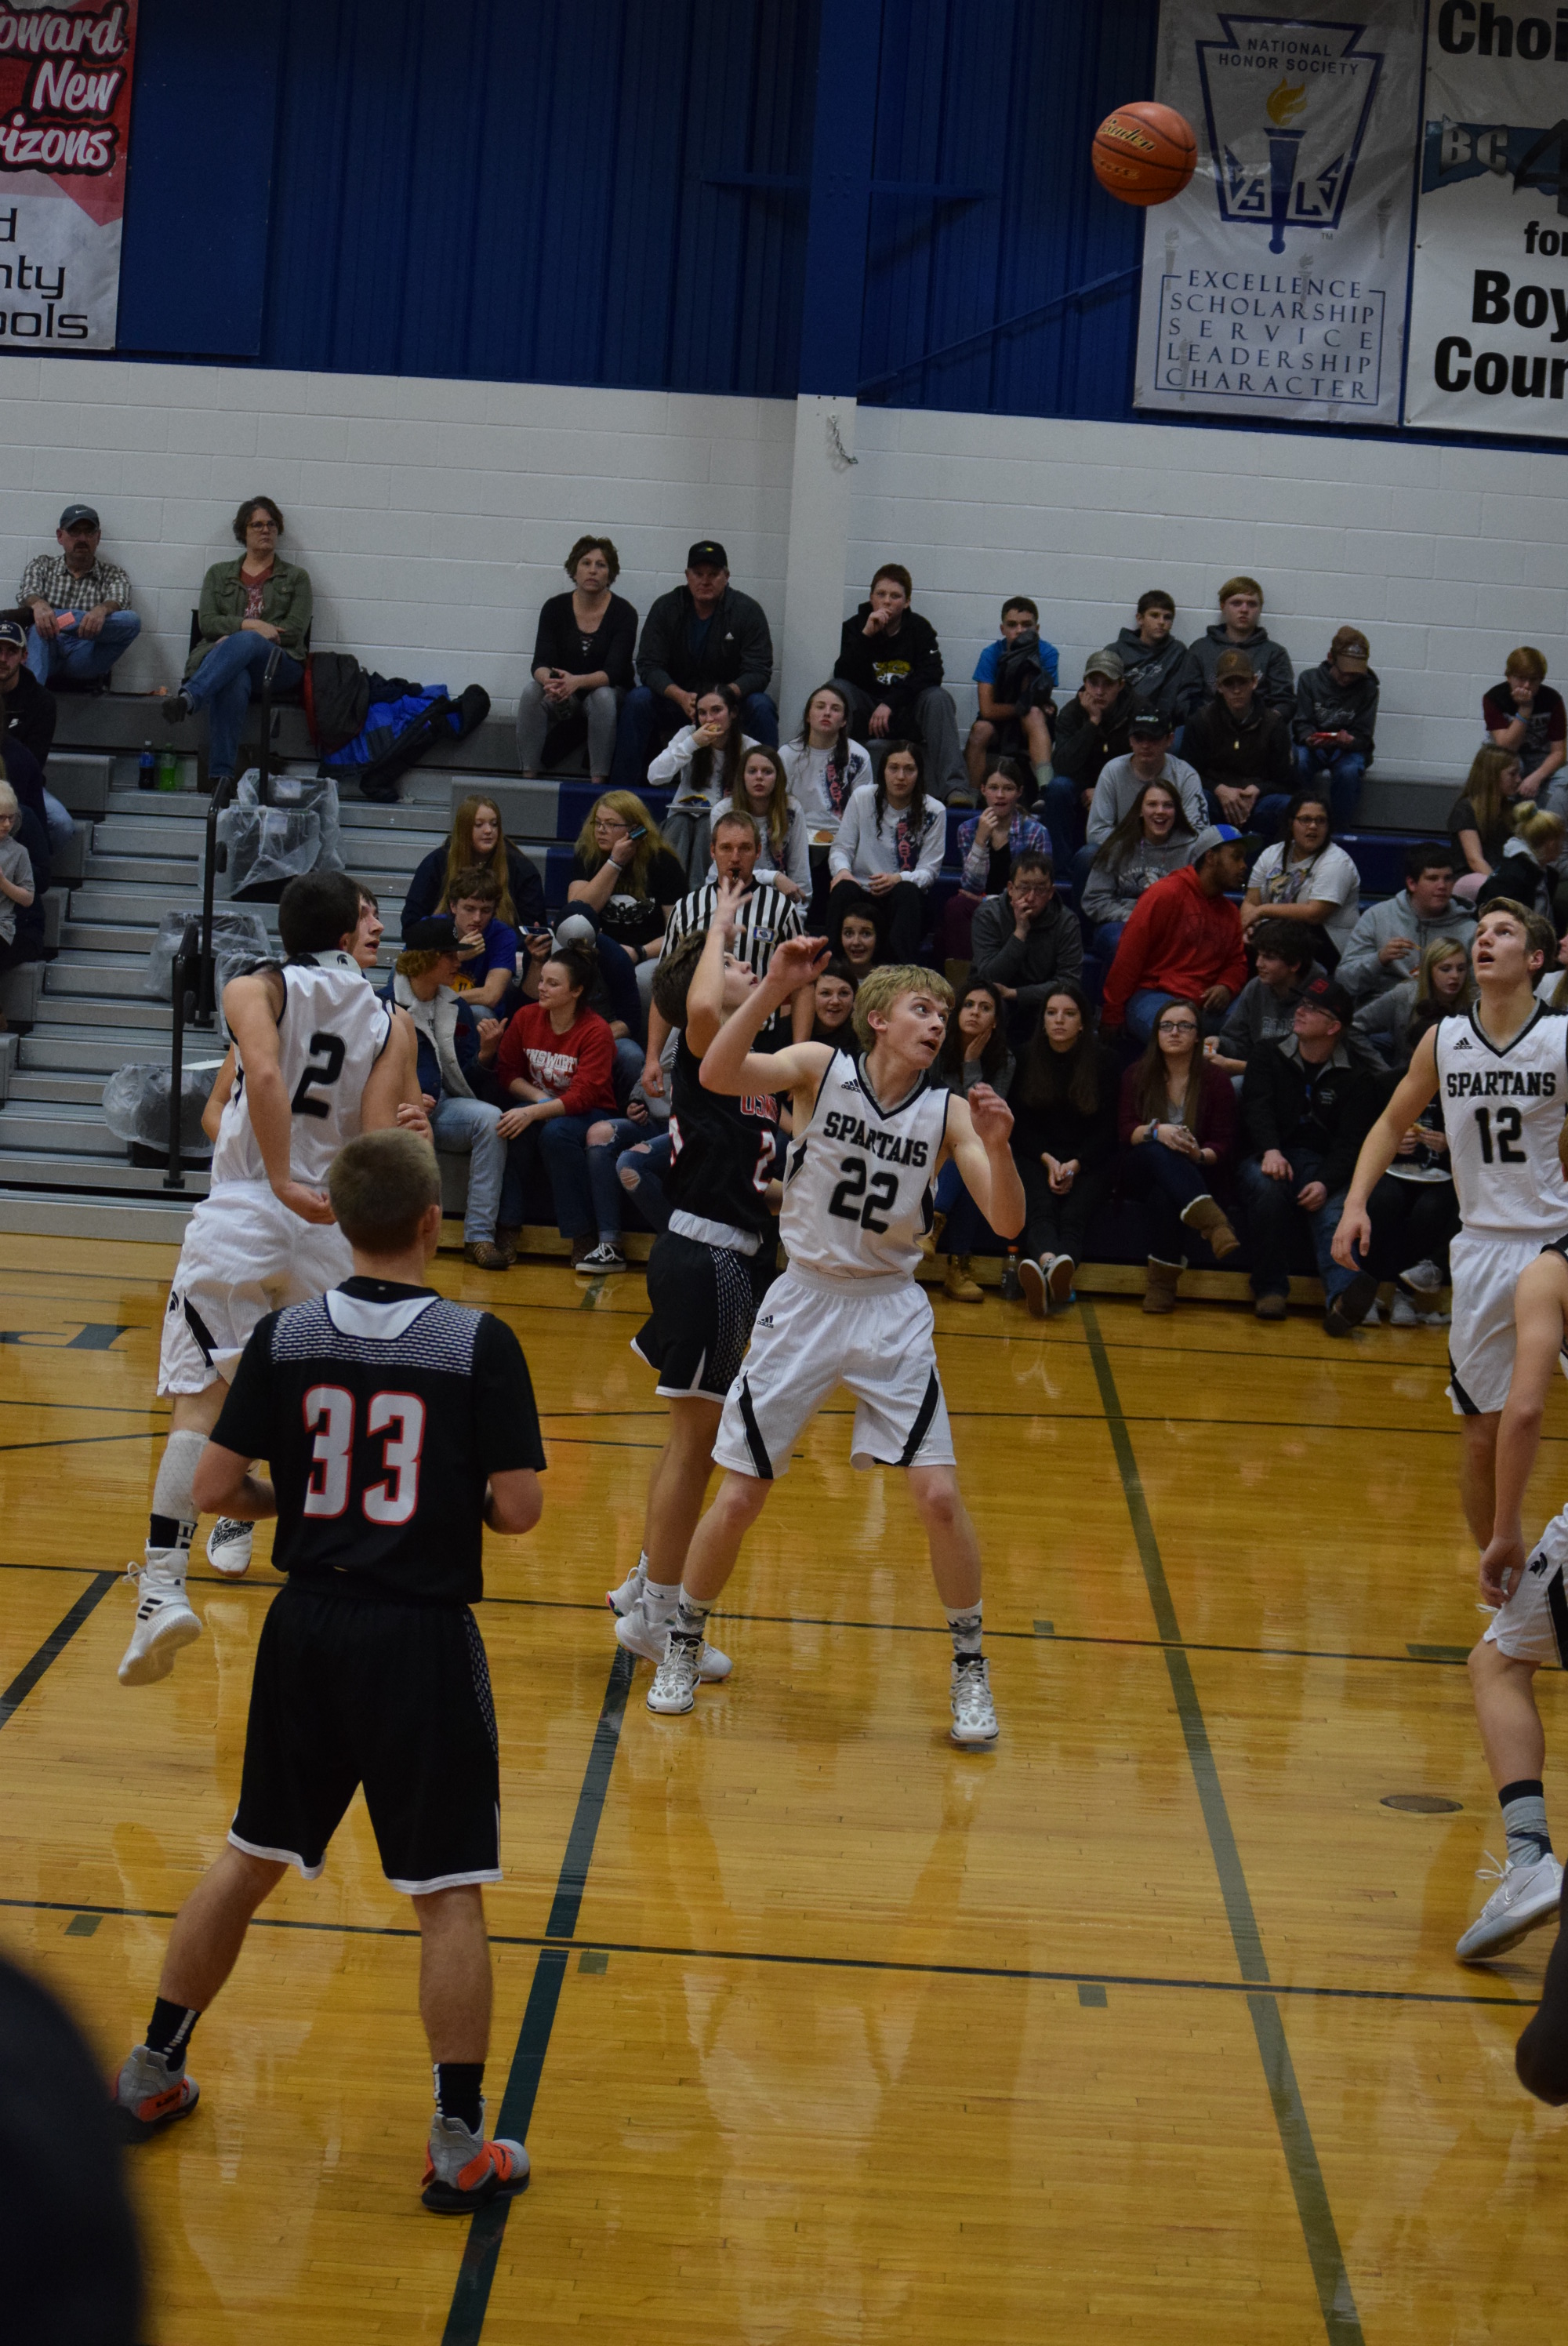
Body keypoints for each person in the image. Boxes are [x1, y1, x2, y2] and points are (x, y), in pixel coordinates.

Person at [111, 1128, 548, 2215]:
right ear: (433, 1222)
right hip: (420, 1638)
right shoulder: (478, 1341)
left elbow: (214, 1489)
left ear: (339, 1225)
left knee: (249, 1855)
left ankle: (152, 2072)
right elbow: (519, 1509)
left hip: (306, 1628)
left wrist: (295, 1502)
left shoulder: (288, 1333)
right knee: (446, 1892)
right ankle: (458, 2144)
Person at [642, 950, 1025, 1745]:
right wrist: (776, 990)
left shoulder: (948, 1111)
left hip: (889, 1310)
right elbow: (716, 1072)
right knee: (740, 1496)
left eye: (943, 1014)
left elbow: (1007, 1220)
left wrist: (1000, 1146)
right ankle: (681, 1641)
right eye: (922, 1009)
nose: (938, 1023)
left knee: (938, 1497)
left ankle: (970, 1667)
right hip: (806, 1299)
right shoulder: (820, 1068)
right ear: (877, 1019)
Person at [117, 870, 425, 1686]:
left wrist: (281, 1179)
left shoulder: (255, 987)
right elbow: (374, 1142)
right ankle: (334, 1577)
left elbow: (261, 1076)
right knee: (315, 1416)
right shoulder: (391, 1022)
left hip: (250, 1209)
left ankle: (161, 1588)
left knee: (200, 1405)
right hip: (330, 1227)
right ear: (346, 932)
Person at [1333, 900, 1564, 1550]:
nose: (1484, 941)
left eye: (1504, 933)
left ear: (1535, 959)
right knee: (1481, 1433)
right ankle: (1499, 1579)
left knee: (1525, 1415)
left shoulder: (1561, 1038)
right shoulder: (1444, 1040)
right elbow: (1390, 1122)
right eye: (1481, 931)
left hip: (1556, 1242)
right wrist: (1355, 1203)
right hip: (1483, 1245)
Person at [607, 905, 783, 1678]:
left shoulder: (750, 1066)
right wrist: (716, 930)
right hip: (710, 1257)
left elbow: (750, 1177)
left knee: (689, 1440)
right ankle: (658, 1613)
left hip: (721, 1253)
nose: (745, 967)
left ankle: (648, 1581)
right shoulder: (707, 1036)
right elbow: (701, 1001)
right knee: (697, 1445)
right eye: (736, 965)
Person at [1465, 1244, 1568, 1974]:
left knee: (1498, 1663)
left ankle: (1530, 1860)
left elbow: (1525, 1409)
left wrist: (1504, 1530)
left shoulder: (1551, 1273)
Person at [1237, 976, 1382, 1331]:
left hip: (1322, 1164)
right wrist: (1270, 1150)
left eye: (1313, 1009)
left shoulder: (1358, 1078)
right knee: (1269, 1191)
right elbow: (1257, 1109)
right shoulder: (1267, 1054)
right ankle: (1270, 1289)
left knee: (1335, 1211)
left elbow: (1351, 1144)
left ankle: (1343, 1301)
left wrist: (1324, 1182)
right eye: (1301, 1004)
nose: (1300, 1011)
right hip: (1267, 1156)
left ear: (1333, 1027)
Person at [389, 920, 511, 1269]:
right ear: (426, 958)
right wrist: (406, 1097)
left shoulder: (458, 1006)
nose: (459, 962)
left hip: (444, 1107)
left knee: (492, 1120)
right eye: (450, 955)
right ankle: (400, 1237)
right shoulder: (383, 1004)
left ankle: (479, 1238)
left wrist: (486, 1054)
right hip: (396, 1107)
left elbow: (466, 1079)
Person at [163, 499, 311, 785]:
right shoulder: (219, 574)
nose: (265, 530)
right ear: (243, 531)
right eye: (257, 525)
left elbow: (294, 630)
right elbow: (207, 623)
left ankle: (190, 697)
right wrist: (252, 625)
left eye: (271, 524)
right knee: (235, 677)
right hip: (228, 662)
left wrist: (242, 634)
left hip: (279, 664)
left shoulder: (296, 578)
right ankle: (221, 778)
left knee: (248, 642)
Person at [492, 945, 622, 1271]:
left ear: (576, 991)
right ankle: (507, 1227)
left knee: (556, 1133)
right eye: (542, 980)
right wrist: (537, 1102)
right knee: (513, 1127)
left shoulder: (596, 1031)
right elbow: (507, 1073)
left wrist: (534, 1111)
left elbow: (583, 1097)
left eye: (553, 983)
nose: (542, 988)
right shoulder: (526, 1017)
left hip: (590, 1113)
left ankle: (582, 1234)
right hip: (541, 1104)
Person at [611, 539, 777, 790]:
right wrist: (678, 695)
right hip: (678, 702)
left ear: (726, 577)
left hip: (728, 704)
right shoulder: (666, 607)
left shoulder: (747, 611)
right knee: (638, 700)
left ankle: (768, 793)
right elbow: (648, 664)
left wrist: (723, 697)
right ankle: (621, 795)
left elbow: (759, 670)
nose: (705, 581)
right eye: (698, 574)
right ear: (687, 576)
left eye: (713, 574)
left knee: (761, 705)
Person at [1117, 1000, 1240, 1312]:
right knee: (1157, 1148)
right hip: (1141, 1169)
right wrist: (1157, 1132)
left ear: (1198, 1036)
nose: (1175, 1032)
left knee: (1165, 1195)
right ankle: (1214, 1223)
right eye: (1166, 1026)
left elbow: (1223, 1144)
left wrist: (1198, 1154)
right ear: (1156, 1034)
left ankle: (1161, 1285)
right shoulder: (1136, 1074)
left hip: (1196, 1170)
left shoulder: (1216, 1081)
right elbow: (1125, 1130)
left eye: (1185, 1026)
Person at [1008, 981, 1119, 1318]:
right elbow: (1019, 1126)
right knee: (1040, 1207)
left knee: (1073, 1216)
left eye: (1069, 1014)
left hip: (1089, 1158)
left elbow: (1108, 1129)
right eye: (1052, 1013)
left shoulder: (1105, 1061)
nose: (1059, 1020)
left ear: (1083, 1022)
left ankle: (1048, 1273)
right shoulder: (1024, 1057)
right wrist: (1048, 1161)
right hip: (1037, 1154)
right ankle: (1052, 1270)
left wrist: (1075, 1164)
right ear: (1042, 1020)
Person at [1101, 824, 1252, 1046]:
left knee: (1251, 1019)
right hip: (1156, 996)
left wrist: (1226, 986)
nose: (1243, 866)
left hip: (1206, 1006)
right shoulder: (1165, 894)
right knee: (1177, 1030)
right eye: (1236, 857)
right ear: (1210, 857)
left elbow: (1237, 962)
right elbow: (1129, 957)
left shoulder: (1230, 911)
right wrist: (1112, 1014)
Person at [833, 564, 965, 801]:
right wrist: (866, 636)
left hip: (905, 711)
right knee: (836, 692)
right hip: (867, 710)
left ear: (906, 602)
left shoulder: (919, 629)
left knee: (938, 698)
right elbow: (843, 673)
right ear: (871, 598)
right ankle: (834, 781)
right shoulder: (854, 627)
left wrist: (891, 703)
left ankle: (955, 788)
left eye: (895, 596)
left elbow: (932, 673)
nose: (887, 601)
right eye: (881, 594)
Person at [517, 534, 637, 783]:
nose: (593, 570)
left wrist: (576, 682)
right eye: (586, 563)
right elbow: (540, 663)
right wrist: (551, 682)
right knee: (531, 692)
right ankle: (528, 778)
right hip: (564, 694)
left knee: (603, 697)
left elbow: (614, 672)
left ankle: (598, 785)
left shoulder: (624, 612)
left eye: (601, 565)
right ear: (574, 569)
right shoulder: (554, 608)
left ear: (610, 574)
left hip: (609, 694)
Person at [931, 978, 1014, 1302]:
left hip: (971, 1143)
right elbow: (933, 1106)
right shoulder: (935, 1045)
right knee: (970, 1151)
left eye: (985, 1007)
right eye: (968, 1005)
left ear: (995, 1021)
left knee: (976, 1153)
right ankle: (958, 1263)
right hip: (932, 1136)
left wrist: (972, 1063)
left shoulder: (1005, 1060)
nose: (975, 1012)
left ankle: (935, 1223)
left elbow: (984, 1120)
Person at [827, 741, 945, 961]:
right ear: (883, 771)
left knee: (907, 892)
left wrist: (898, 878)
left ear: (919, 774)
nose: (901, 776)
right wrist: (842, 871)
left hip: (901, 899)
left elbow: (929, 872)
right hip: (862, 890)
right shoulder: (862, 797)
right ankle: (833, 969)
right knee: (843, 889)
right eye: (894, 768)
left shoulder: (935, 811)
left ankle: (895, 975)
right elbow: (841, 848)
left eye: (909, 769)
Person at [567, 789, 686, 1002]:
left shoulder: (663, 863)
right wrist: (615, 863)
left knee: (642, 979)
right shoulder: (588, 855)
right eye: (598, 823)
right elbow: (578, 913)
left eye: (611, 824)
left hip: (646, 952)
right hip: (597, 948)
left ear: (635, 829)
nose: (601, 830)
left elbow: (678, 931)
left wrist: (639, 952)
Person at [937, 762, 1053, 962]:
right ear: (983, 790)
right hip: (981, 907)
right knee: (955, 908)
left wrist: (987, 901)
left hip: (1021, 909)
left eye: (1008, 789)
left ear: (1019, 792)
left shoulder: (1036, 832)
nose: (1000, 795)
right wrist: (980, 841)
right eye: (993, 788)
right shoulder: (967, 829)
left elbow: (1037, 890)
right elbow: (971, 887)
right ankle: (967, 976)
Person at [1040, 650, 1144, 870]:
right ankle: (1061, 871)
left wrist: (1104, 790)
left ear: (1121, 685)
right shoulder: (1071, 712)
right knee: (1058, 788)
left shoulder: (1139, 710)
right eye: (1093, 683)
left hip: (1124, 786)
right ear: (1085, 682)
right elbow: (1062, 765)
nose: (1099, 691)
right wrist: (1092, 723)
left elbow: (1145, 762)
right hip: (1081, 787)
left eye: (1108, 684)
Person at [20, 501, 140, 688]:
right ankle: (31, 703)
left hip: (85, 653)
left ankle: (59, 620)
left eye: (89, 532)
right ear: (60, 536)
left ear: (98, 537)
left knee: (132, 621)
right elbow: (28, 592)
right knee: (38, 629)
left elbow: (119, 599)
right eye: (74, 531)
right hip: (47, 648)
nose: (82, 538)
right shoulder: (42, 565)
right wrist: (38, 604)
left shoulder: (114, 574)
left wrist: (101, 610)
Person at [968, 851, 1085, 1044]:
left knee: (1063, 1010)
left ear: (1051, 893)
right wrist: (1020, 932)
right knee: (990, 1006)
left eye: (1040, 890)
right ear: (1011, 888)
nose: (1031, 897)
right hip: (994, 995)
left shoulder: (1067, 922)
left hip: (1041, 1000)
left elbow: (1069, 983)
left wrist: (1016, 994)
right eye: (1024, 888)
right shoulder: (988, 915)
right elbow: (989, 977)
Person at [648, 681, 758, 884]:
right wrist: (692, 744)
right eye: (702, 713)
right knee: (680, 823)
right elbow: (654, 776)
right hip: (682, 819)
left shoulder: (749, 747)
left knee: (706, 826)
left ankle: (699, 895)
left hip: (725, 824)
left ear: (733, 713)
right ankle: (670, 895)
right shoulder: (688, 735)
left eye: (716, 710)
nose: (709, 719)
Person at [1338, 841, 1474, 1000]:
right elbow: (1345, 982)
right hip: (1384, 1006)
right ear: (1412, 884)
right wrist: (1379, 959)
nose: (1442, 886)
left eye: (1448, 878)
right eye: (1433, 878)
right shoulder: (1377, 917)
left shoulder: (1469, 929)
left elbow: (1477, 990)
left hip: (1444, 1009)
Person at [1181, 650, 1294, 842]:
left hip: (1258, 802)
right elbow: (1187, 774)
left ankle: (1276, 859)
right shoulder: (1200, 721)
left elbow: (1288, 782)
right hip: (1215, 800)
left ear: (1254, 682)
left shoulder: (1273, 724)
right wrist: (1219, 789)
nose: (1236, 690)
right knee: (1197, 799)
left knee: (1289, 805)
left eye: (1242, 682)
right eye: (1229, 684)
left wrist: (1258, 790)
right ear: (1218, 687)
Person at [779, 681, 872, 913]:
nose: (827, 713)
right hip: (796, 834)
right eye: (820, 707)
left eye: (835, 709)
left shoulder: (858, 756)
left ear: (844, 721)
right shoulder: (788, 754)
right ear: (808, 716)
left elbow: (863, 810)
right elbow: (778, 804)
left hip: (842, 838)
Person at [401, 794, 547, 941]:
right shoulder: (436, 863)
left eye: (494, 824)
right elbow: (411, 925)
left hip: (503, 949)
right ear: (463, 830)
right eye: (479, 825)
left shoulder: (521, 868)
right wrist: (453, 943)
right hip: (446, 948)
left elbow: (534, 930)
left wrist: (527, 944)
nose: (489, 830)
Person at [1080, 776, 1197, 959]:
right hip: (1122, 922)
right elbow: (1095, 900)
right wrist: (1133, 916)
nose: (1160, 811)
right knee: (1125, 942)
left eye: (1168, 805)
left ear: (1177, 812)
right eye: (1152, 804)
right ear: (1141, 811)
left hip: (1171, 925)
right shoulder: (1117, 845)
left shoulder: (1192, 849)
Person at [1240, 789, 1363, 963]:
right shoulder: (1272, 854)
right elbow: (1251, 902)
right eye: (1305, 819)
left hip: (1327, 947)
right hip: (1277, 935)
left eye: (1320, 821)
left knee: (1281, 940)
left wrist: (1262, 911)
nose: (1313, 826)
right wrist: (1249, 926)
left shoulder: (1337, 862)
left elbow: (1315, 914)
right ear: (1291, 823)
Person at [965, 596, 1058, 798]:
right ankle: (971, 798)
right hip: (997, 723)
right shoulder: (990, 654)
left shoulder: (1048, 653)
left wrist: (1033, 704)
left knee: (1034, 715)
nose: (1020, 630)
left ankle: (1046, 790)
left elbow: (1038, 697)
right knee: (980, 730)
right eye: (1012, 625)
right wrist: (1026, 706)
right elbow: (987, 710)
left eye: (1027, 625)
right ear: (1002, 629)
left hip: (1028, 723)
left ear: (1037, 629)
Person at [1173, 574, 1295, 721]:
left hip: (1258, 726)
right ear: (1223, 606)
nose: (1244, 609)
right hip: (1209, 725)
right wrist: (1207, 721)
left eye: (1252, 604)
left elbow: (1284, 701)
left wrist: (1264, 723)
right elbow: (1186, 697)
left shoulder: (1274, 653)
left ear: (1260, 609)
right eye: (1236, 603)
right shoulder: (1200, 649)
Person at [1083, 710, 1207, 852]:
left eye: (1153, 738)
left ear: (1170, 739)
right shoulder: (1112, 771)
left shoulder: (1186, 775)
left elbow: (1198, 832)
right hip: (1125, 852)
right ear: (1130, 740)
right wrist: (1141, 844)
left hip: (1173, 853)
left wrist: (1158, 844)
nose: (1145, 745)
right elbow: (1096, 832)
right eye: (1139, 738)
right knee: (1089, 853)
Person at [1211, 917, 1323, 1072]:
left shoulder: (1320, 998)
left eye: (1269, 958)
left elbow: (1300, 1068)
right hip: (1256, 1072)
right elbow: (1238, 1041)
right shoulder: (1256, 987)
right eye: (1259, 955)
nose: (1258, 964)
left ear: (1294, 965)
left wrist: (1235, 1066)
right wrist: (1219, 1044)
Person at [1293, 626, 1378, 824]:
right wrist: (1309, 738)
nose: (1348, 678)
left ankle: (1340, 830)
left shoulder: (1368, 687)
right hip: (1313, 747)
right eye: (1343, 672)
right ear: (1331, 658)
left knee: (1349, 772)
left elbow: (1364, 733)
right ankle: (1301, 821)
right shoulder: (1309, 679)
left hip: (1348, 749)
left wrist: (1351, 741)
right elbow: (1301, 722)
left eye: (1354, 674)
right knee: (1300, 761)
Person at [1353, 935, 1474, 1073]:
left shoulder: (1476, 1003)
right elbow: (1354, 1027)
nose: (1455, 976)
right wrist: (1384, 1072)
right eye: (1445, 969)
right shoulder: (1404, 995)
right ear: (1429, 970)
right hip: (1408, 1076)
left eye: (1461, 969)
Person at [0, 618, 69, 851]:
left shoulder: (41, 701)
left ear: (24, 656)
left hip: (22, 782)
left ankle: (28, 867)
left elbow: (33, 763)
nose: (3, 658)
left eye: (11, 651)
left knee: (61, 825)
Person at [1484, 645, 1567, 813]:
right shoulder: (1494, 698)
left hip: (1541, 758)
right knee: (1507, 770)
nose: (1527, 685)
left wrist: (1537, 777)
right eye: (1521, 678)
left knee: (1565, 779)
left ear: (1541, 680)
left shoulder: (1552, 700)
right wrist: (1525, 709)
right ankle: (1504, 821)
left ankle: (1546, 824)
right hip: (1505, 756)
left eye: (1533, 680)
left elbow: (1559, 752)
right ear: (1509, 677)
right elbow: (1507, 748)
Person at [722, 743, 810, 898]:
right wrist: (774, 877)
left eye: (767, 772)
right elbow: (728, 871)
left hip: (777, 896)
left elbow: (800, 870)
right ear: (742, 777)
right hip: (731, 893)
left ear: (778, 777)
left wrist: (800, 909)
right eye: (752, 771)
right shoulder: (724, 811)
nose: (759, 777)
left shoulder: (792, 809)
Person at [1104, 590, 1188, 728]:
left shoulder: (1177, 652)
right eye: (1154, 615)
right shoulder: (1115, 651)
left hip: (1155, 724)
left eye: (1167, 617)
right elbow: (1104, 693)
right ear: (1140, 619)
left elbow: (1169, 699)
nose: (1161, 622)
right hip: (1118, 722)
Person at [441, 866, 520, 1011]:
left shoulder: (503, 935)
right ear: (453, 906)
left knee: (480, 1012)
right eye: (469, 909)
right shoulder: (431, 927)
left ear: (494, 911)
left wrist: (439, 999)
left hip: (476, 1012)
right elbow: (408, 980)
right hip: (431, 1009)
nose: (477, 918)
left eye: (485, 911)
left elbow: (491, 996)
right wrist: (456, 956)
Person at [1450, 743, 1526, 890]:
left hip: (1500, 875)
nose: (1518, 780)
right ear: (1493, 776)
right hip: (1472, 880)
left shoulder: (1510, 809)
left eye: (1519, 774)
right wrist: (1502, 887)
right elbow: (1475, 860)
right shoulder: (1465, 809)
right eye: (1512, 774)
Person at [1478, 801, 1564, 925]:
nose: (1563, 845)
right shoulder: (1512, 878)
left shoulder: (1547, 875)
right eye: (1561, 839)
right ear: (1552, 843)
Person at [0, 776, 34, 1000]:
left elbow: (28, 898)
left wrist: (3, 883)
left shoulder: (19, 852)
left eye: (10, 818)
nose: (6, 824)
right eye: (0, 818)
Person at [810, 956, 858, 1042]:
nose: (835, 1001)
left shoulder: (864, 1039)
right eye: (825, 993)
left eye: (844, 993)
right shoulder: (787, 1031)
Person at [837, 905, 883, 979]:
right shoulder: (829, 978)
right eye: (848, 933)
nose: (856, 942)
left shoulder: (892, 980)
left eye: (866, 934)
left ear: (878, 938)